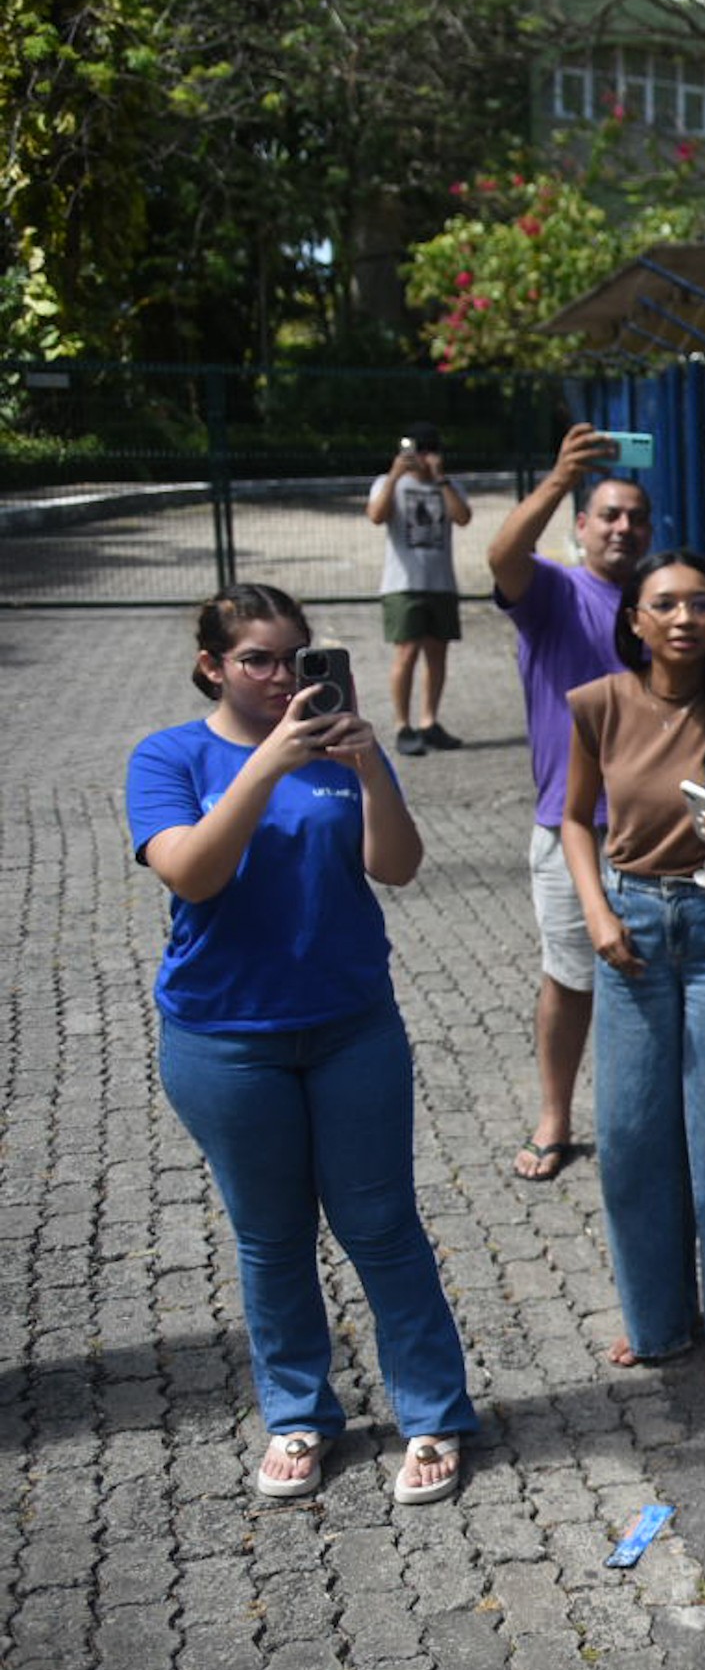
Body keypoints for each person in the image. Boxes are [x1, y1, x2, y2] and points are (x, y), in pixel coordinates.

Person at [126, 584, 477, 1505]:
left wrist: (367, 769)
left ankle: (434, 1414)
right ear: (213, 665)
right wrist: (268, 764)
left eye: (297, 657)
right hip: (224, 1040)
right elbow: (194, 874)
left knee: (382, 1227)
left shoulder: (337, 749)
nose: (283, 678)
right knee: (273, 1237)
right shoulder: (169, 756)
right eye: (258, 660)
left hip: (350, 1027)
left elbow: (396, 866)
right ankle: (298, 1414)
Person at [560, 549, 705, 1387]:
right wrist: (595, 912)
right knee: (630, 1136)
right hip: (632, 927)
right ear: (635, 619)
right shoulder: (598, 705)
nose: (685, 618)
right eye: (665, 604)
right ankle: (656, 1322)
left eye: (703, 603)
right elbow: (575, 821)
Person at [488, 426, 653, 1181]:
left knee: (652, 977)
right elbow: (501, 559)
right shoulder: (554, 592)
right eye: (608, 515)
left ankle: (647, 1118)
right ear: (581, 528)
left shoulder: (665, 603)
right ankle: (555, 1115)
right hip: (570, 829)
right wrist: (557, 479)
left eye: (636, 518)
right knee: (570, 977)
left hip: (657, 831)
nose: (623, 528)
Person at [366, 422, 473, 756]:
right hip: (403, 584)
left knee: (437, 653)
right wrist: (396, 475)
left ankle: (429, 722)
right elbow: (376, 516)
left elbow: (463, 517)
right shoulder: (388, 484)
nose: (419, 460)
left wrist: (440, 480)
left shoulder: (450, 486)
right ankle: (402, 725)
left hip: (440, 583)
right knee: (407, 652)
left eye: (425, 452)